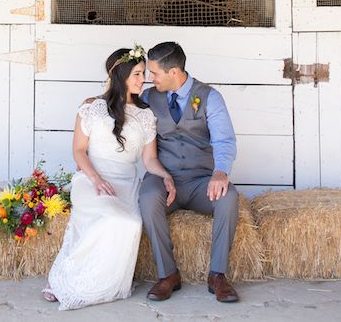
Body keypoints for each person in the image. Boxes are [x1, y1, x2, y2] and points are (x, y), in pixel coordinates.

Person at [44, 45, 176, 310]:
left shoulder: (146, 115)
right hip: (91, 180)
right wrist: (95, 178)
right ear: (121, 75)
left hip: (127, 184)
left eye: (143, 73)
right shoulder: (92, 107)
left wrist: (166, 176)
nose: (143, 79)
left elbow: (149, 160)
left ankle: (107, 285)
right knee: (113, 217)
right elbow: (79, 151)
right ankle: (67, 280)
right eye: (137, 74)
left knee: (130, 223)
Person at [139, 41, 240, 304]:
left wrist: (220, 172)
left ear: (174, 72)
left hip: (200, 181)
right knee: (148, 199)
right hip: (164, 178)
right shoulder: (149, 98)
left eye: (155, 73)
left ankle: (217, 275)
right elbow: (119, 107)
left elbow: (224, 140)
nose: (151, 79)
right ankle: (167, 275)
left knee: (229, 198)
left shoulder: (210, 97)